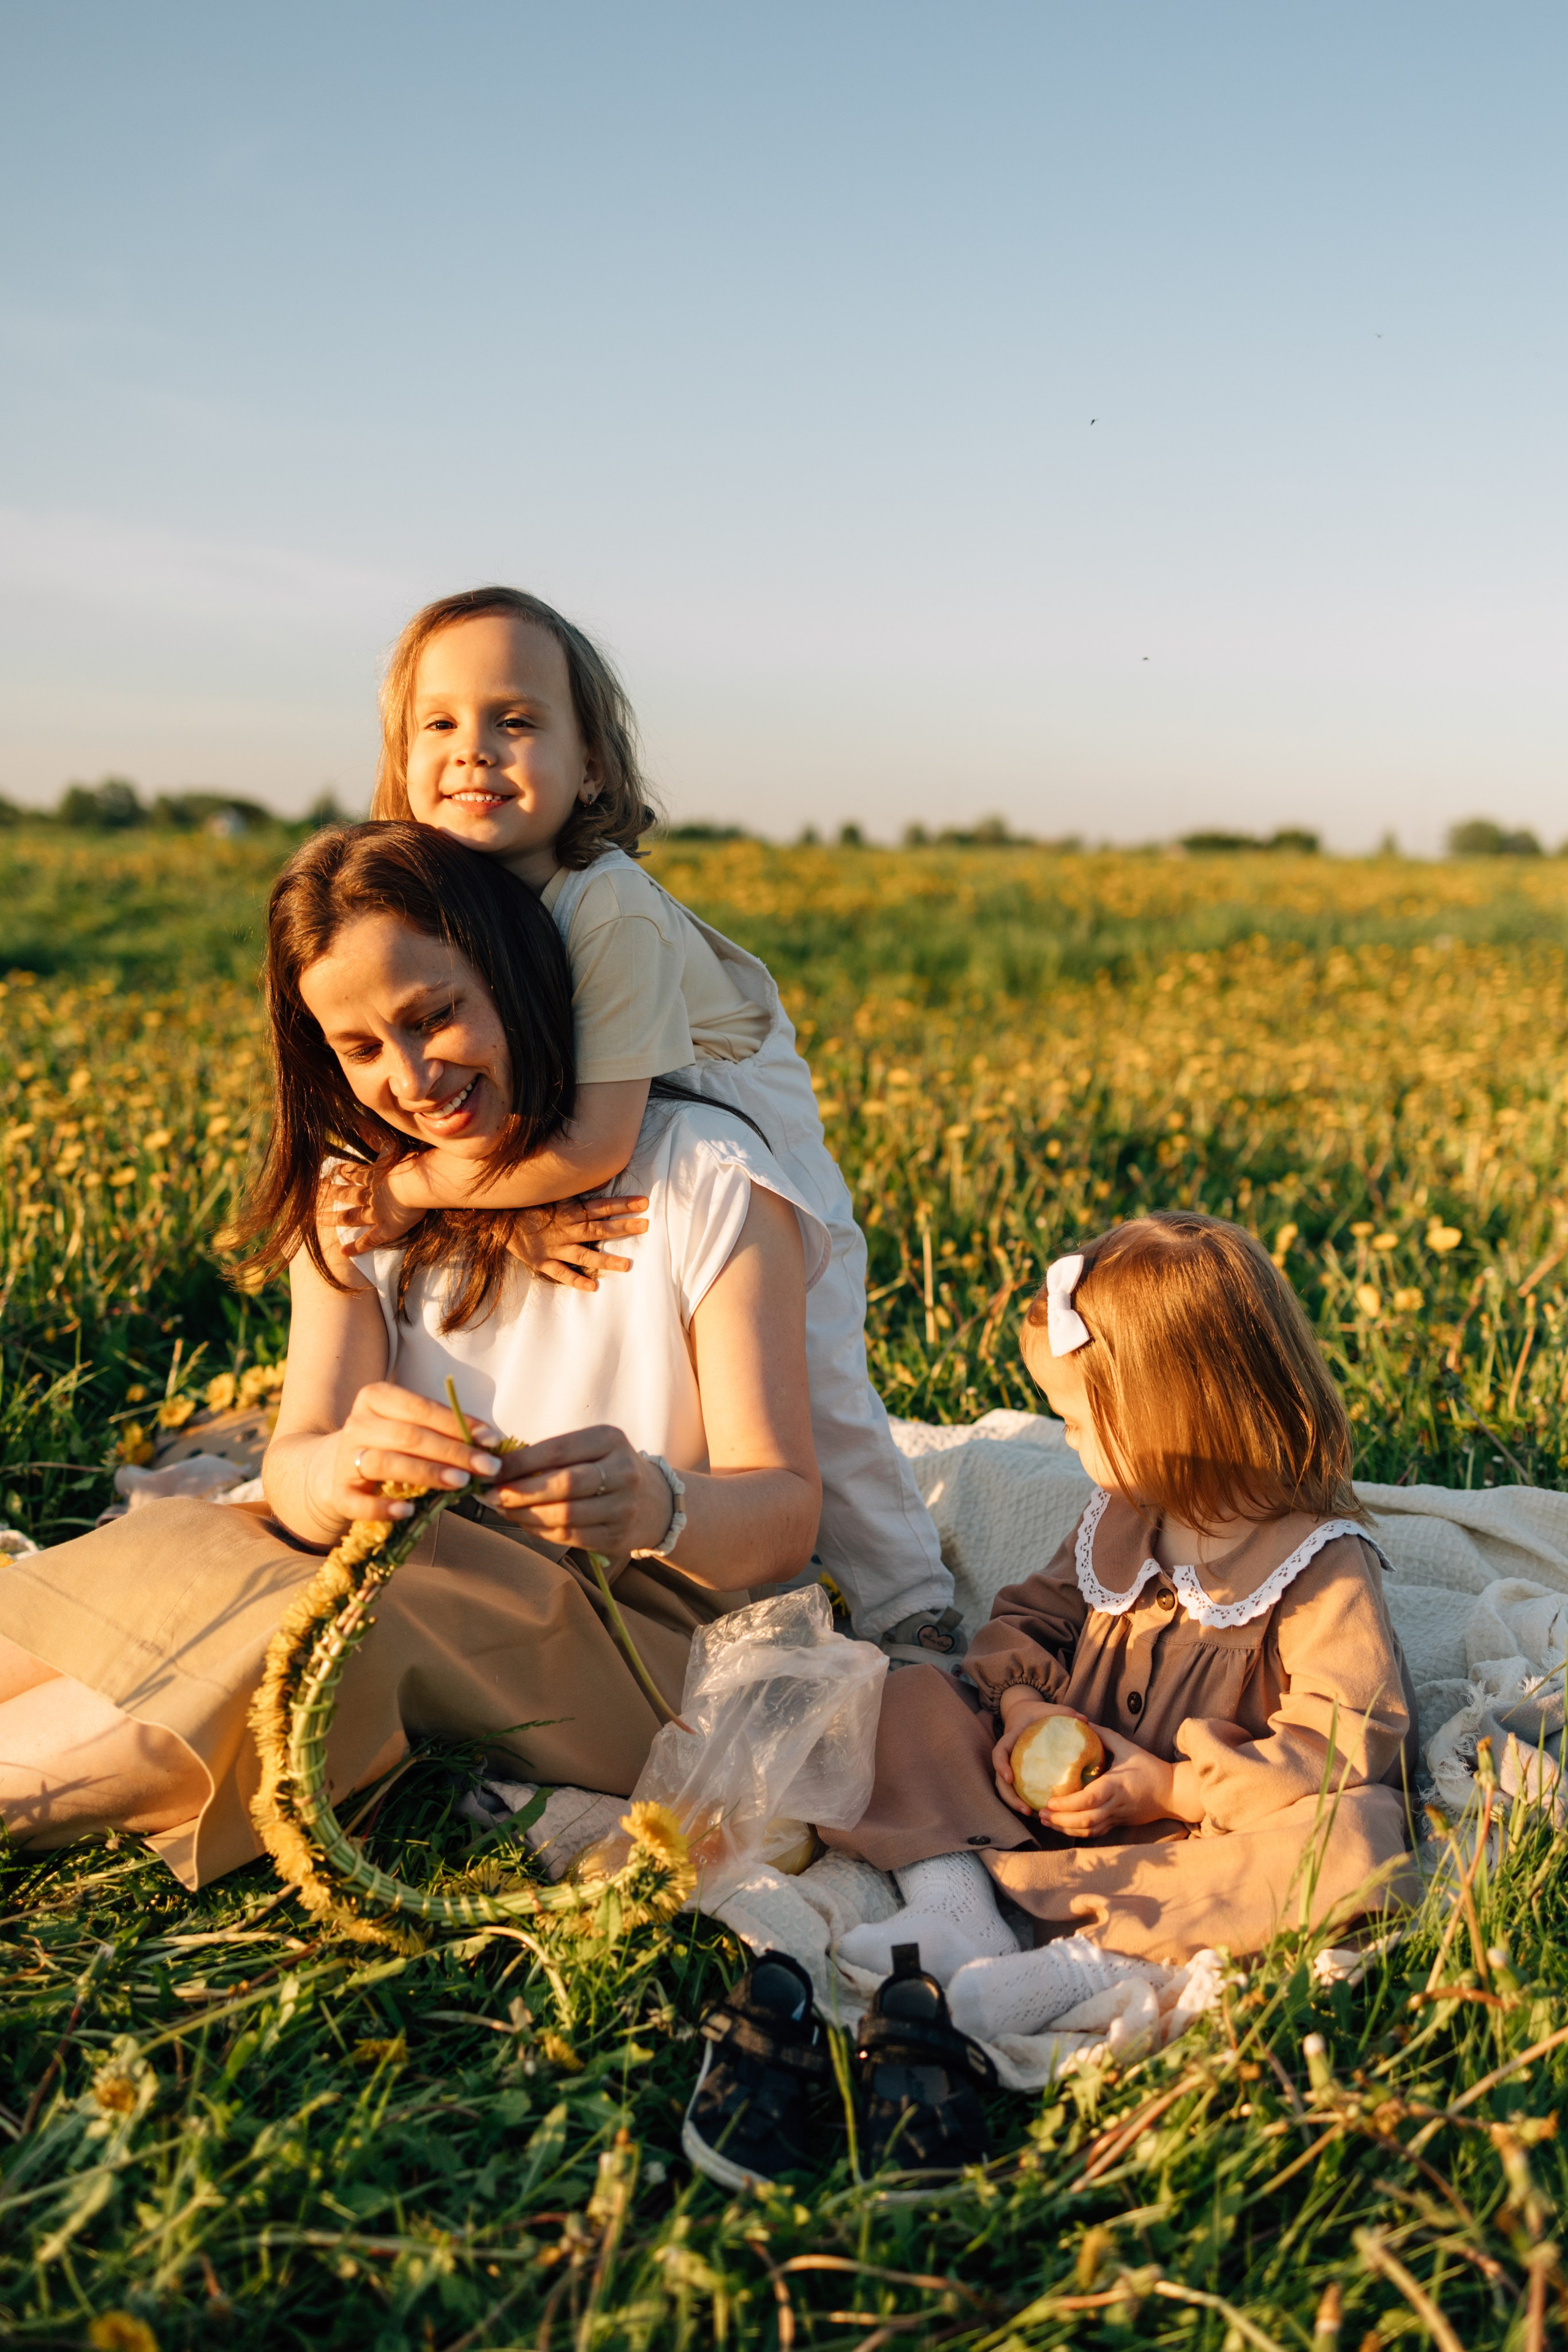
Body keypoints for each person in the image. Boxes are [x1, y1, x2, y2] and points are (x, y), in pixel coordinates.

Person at [0, 824, 823, 1885]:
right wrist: (340, 1471)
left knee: (329, 1631)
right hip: (407, 1562)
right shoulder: (359, 1195)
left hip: (633, 1623)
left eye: (437, 1015)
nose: (415, 1075)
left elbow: (787, 1518)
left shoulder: (704, 1177)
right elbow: (295, 1467)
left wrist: (657, 1503)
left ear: (518, 976)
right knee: (188, 1549)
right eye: (360, 1048)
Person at [326, 584, 959, 1663]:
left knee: (818, 1379)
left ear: (594, 769)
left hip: (722, 1102)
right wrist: (504, 1217)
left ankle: (909, 1598)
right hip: (612, 1102)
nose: (474, 751)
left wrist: (415, 1189)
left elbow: (596, 1149)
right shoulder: (459, 903)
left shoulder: (603, 901)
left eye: (515, 721)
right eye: (440, 724)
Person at [826, 1212, 1421, 2039]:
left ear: (1166, 1418)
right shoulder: (1119, 1516)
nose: (1067, 1444)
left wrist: (1171, 1786)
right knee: (905, 1695)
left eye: (1073, 1422)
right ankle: (957, 1907)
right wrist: (1031, 1713)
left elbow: (1342, 1746)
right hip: (1043, 1809)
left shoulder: (1320, 1567)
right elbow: (1028, 1621)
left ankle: (1090, 1966)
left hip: (1199, 1839)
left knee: (1356, 1841)